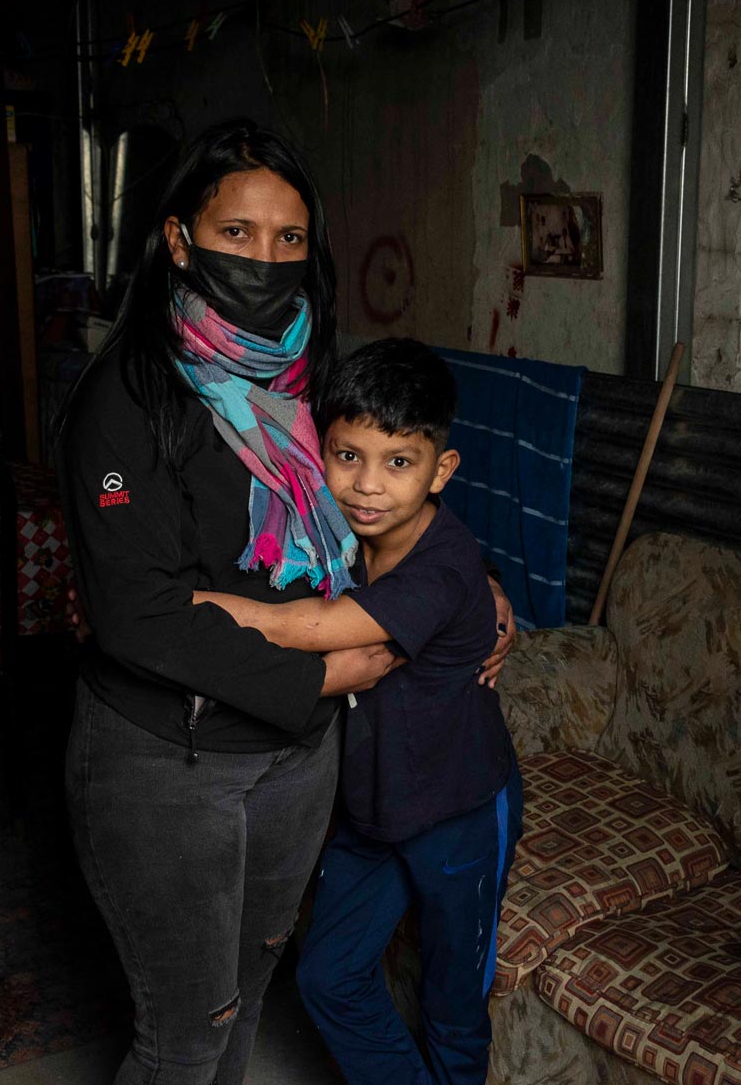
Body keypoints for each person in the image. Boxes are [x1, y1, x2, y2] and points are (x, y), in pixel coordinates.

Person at [57, 118, 515, 1085]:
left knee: (246, 1003)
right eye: (237, 234)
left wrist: (470, 580)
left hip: (299, 761)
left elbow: (380, 488)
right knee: (185, 1032)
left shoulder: (306, 367)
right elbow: (135, 611)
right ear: (180, 240)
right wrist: (329, 670)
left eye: (289, 239)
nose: (265, 260)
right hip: (170, 763)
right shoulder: (125, 395)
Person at [191, 339, 520, 1085]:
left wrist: (173, 606)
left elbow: (312, 629)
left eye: (398, 462)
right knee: (328, 978)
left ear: (442, 469)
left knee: (453, 1004)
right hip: (372, 813)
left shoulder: (443, 564)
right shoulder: (330, 537)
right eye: (348, 458)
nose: (368, 486)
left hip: (462, 809)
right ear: (321, 455)